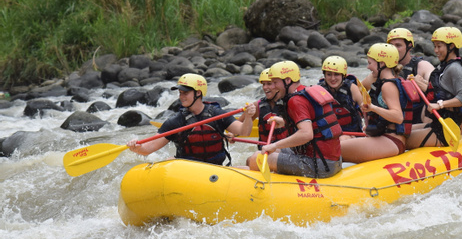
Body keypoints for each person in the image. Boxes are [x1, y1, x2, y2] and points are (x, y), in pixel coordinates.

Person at [127, 73, 256, 165]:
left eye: (185, 93)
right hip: (188, 172)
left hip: (216, 171)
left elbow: (244, 131)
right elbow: (148, 149)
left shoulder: (217, 114)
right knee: (169, 161)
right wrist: (136, 147)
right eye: (180, 93)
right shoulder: (176, 121)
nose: (181, 97)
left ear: (198, 93)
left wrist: (249, 117)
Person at [249, 61, 343, 178]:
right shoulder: (304, 91)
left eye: (275, 82)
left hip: (319, 165)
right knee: (266, 154)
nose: (272, 87)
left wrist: (275, 145)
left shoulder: (296, 100)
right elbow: (314, 123)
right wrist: (284, 122)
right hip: (333, 161)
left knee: (255, 158)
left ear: (288, 81)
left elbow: (306, 134)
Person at [341, 43, 412, 163]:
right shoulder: (384, 82)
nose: (368, 67)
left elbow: (398, 117)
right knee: (341, 142)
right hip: (386, 138)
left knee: (333, 149)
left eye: (370, 63)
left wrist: (373, 108)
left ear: (382, 63)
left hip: (391, 140)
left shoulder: (388, 86)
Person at [408, 27, 462, 149]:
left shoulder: (455, 69)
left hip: (446, 130)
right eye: (435, 46)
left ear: (452, 46)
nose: (436, 50)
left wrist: (440, 105)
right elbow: (440, 92)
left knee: (404, 140)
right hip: (437, 124)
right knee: (403, 131)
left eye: (439, 46)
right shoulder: (444, 67)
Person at [318, 56, 364, 140]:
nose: (332, 78)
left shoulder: (352, 89)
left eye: (336, 74)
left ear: (343, 75)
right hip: (329, 134)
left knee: (342, 139)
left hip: (352, 133)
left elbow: (365, 111)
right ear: (324, 75)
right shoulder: (319, 90)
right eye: (329, 74)